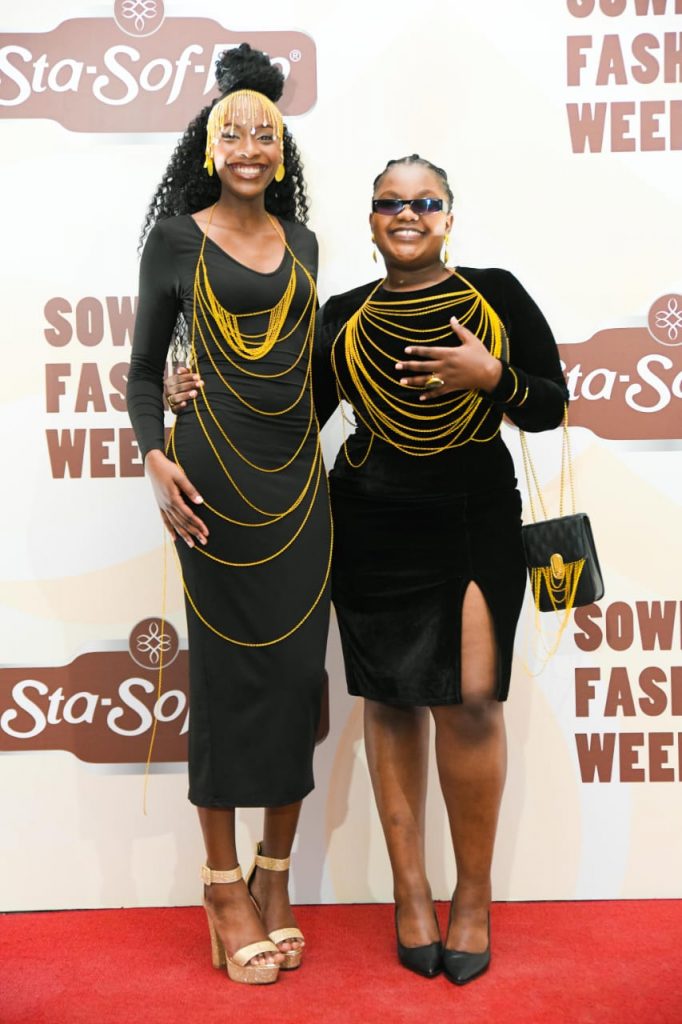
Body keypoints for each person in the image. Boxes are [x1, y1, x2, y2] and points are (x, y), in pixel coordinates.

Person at [166, 154, 568, 985]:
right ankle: (410, 894)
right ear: (372, 220)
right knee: (391, 700)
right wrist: (194, 397)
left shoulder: (496, 293)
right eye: (390, 203)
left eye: (425, 201)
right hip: (373, 520)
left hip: (473, 517)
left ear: (449, 215)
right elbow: (287, 415)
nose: (407, 214)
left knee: (471, 702)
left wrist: (490, 375)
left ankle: (473, 898)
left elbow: (551, 405)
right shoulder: (342, 315)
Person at [127, 44, 331, 986]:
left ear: (282, 152)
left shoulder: (307, 243)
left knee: (295, 680)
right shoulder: (176, 239)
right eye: (233, 133)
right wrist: (156, 454)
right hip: (211, 486)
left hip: (299, 487)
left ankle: (273, 876)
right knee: (223, 679)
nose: (249, 147)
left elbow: (303, 368)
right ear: (211, 148)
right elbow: (142, 373)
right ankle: (221, 885)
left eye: (265, 135)